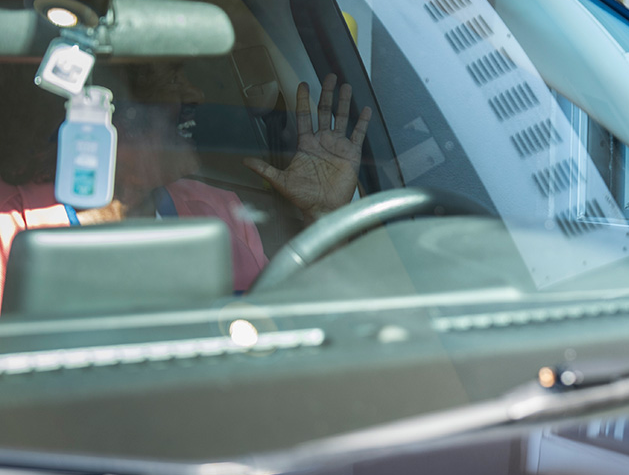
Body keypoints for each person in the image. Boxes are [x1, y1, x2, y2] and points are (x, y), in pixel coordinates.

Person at [0, 61, 370, 305]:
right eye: (172, 79)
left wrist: (324, 217)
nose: (196, 95)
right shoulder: (11, 223)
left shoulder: (219, 211)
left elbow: (291, 326)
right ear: (102, 106)